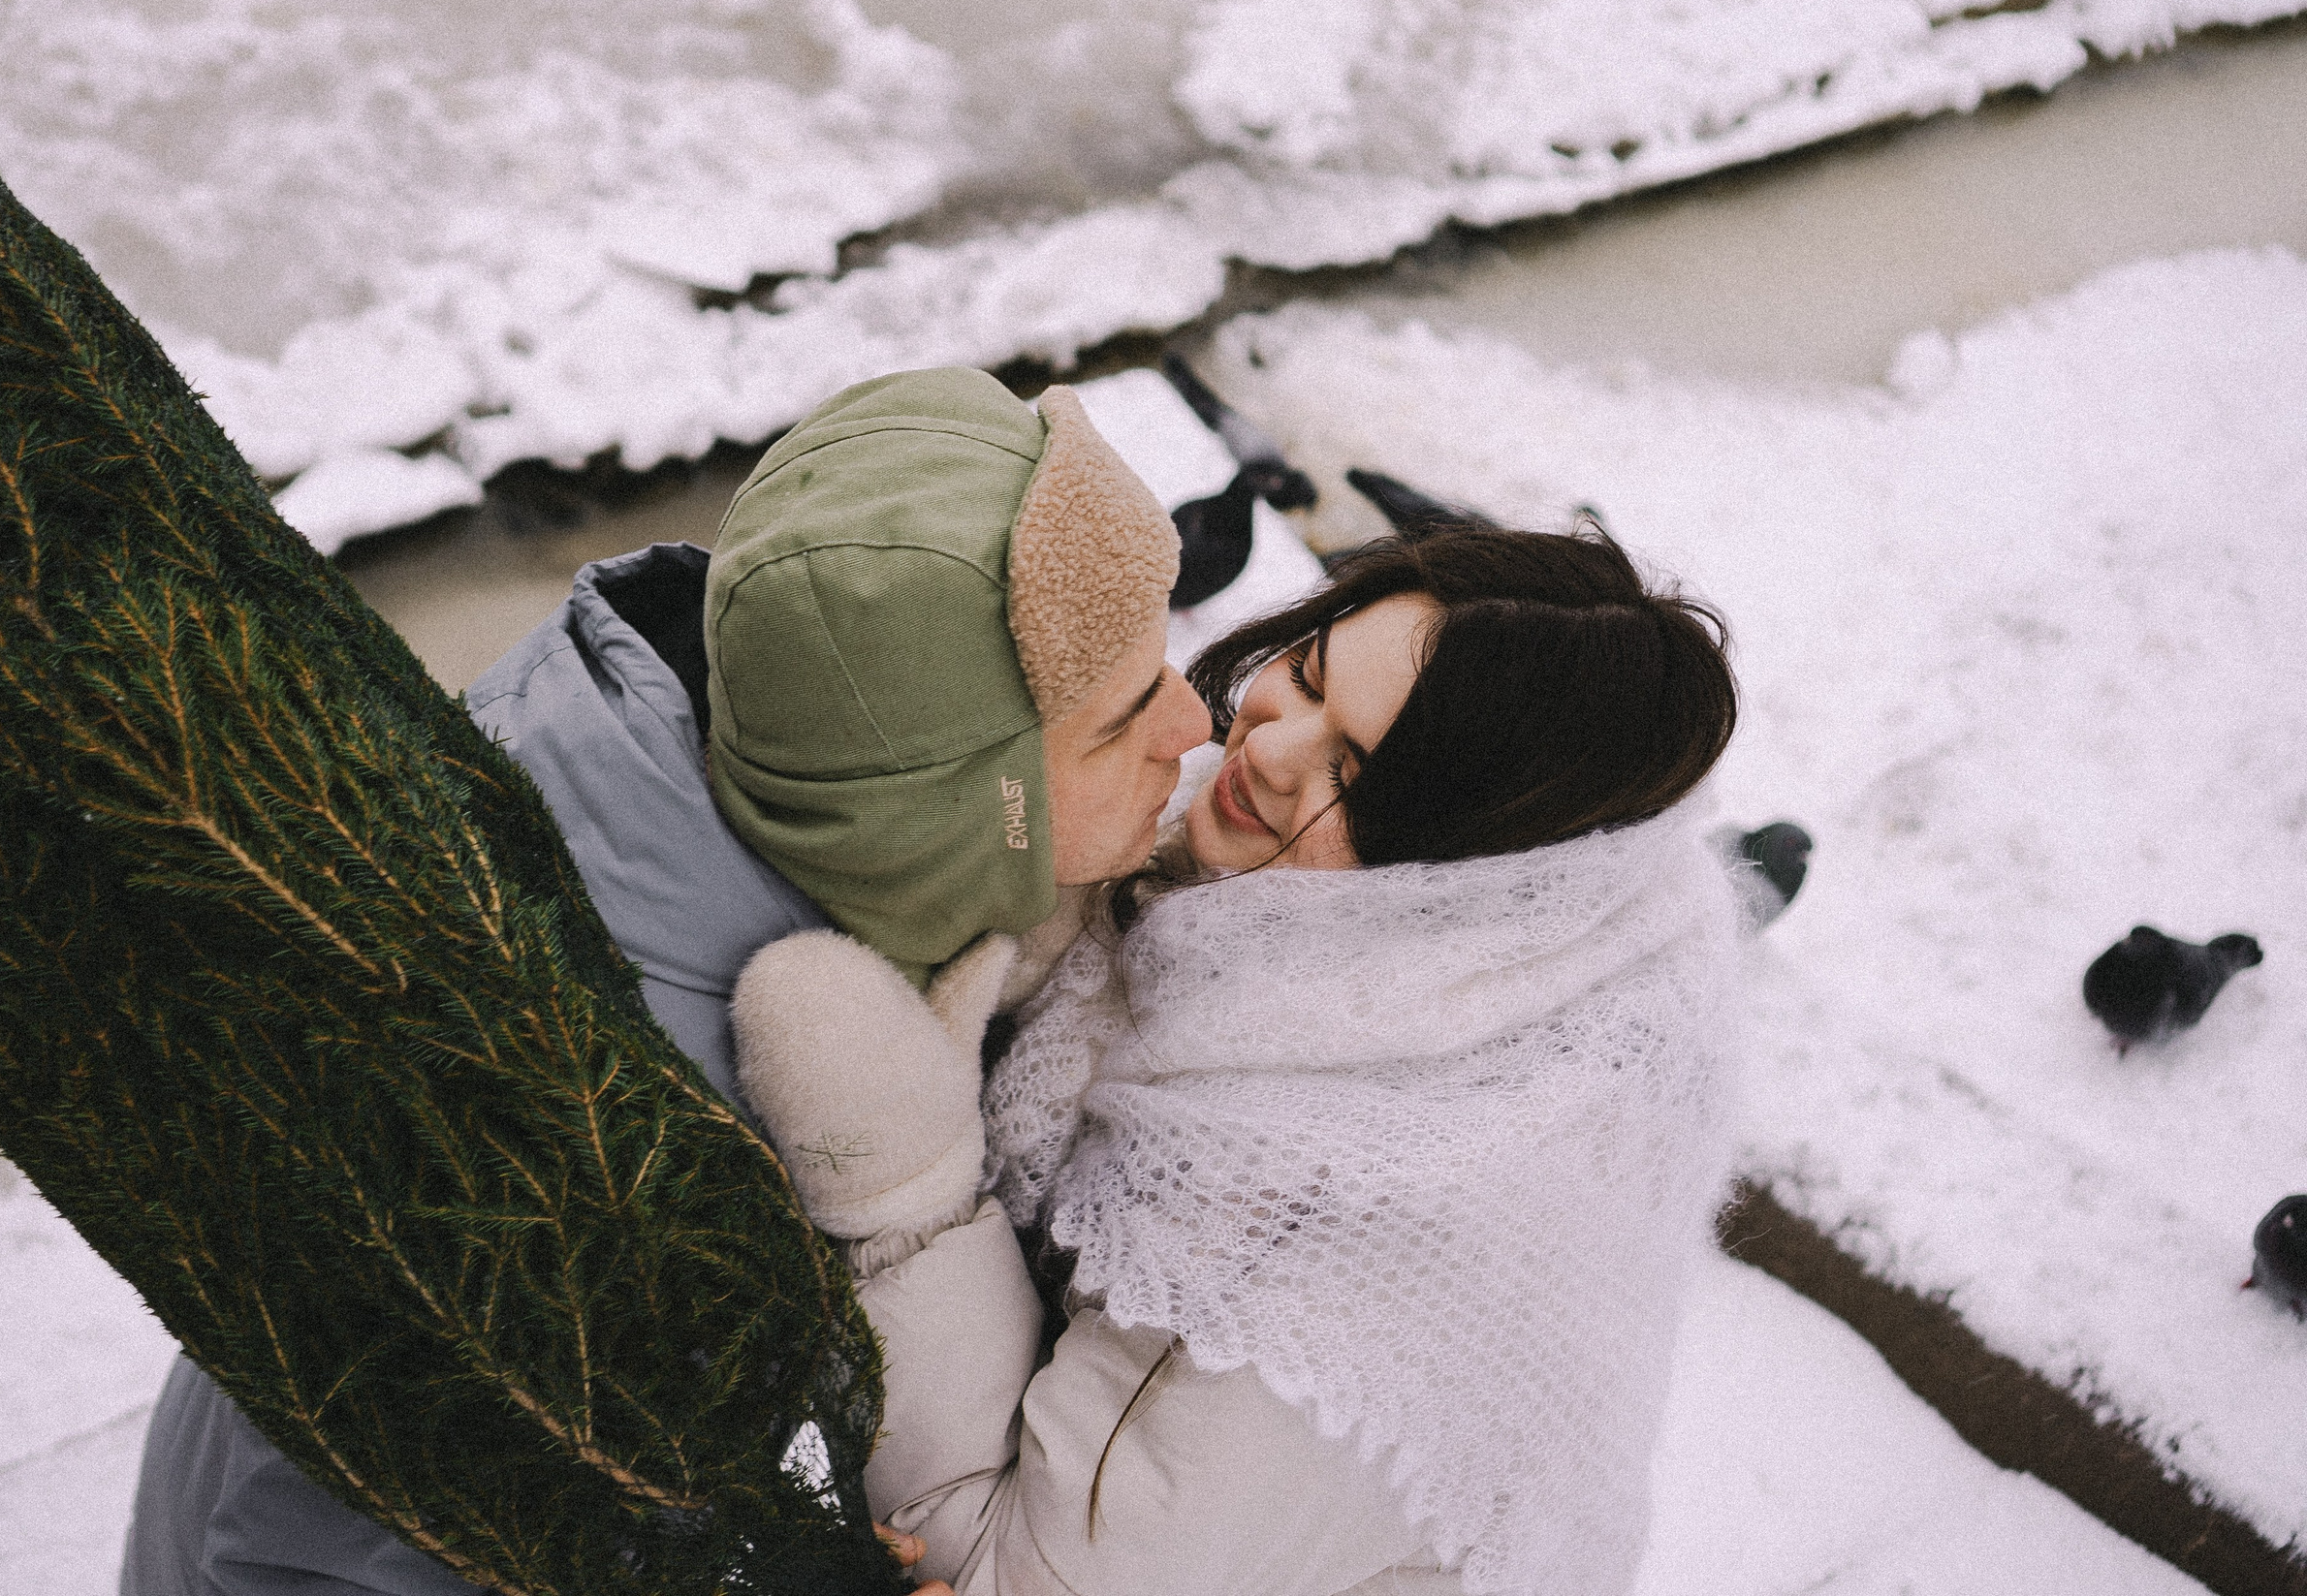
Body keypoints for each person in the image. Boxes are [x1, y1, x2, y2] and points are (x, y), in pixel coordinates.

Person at [119, 367, 1208, 1594]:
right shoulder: (573, 1133)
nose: (1194, 723)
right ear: (948, 817)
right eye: (1120, 719)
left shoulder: (758, 783)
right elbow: (306, 1559)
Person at [732, 522, 1744, 1596]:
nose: (1264, 749)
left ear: (1458, 873)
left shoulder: (1309, 1231)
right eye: (1306, 673)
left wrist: (900, 1183)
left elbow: (1007, 1575)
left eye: (1351, 772)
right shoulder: (1480, 936)